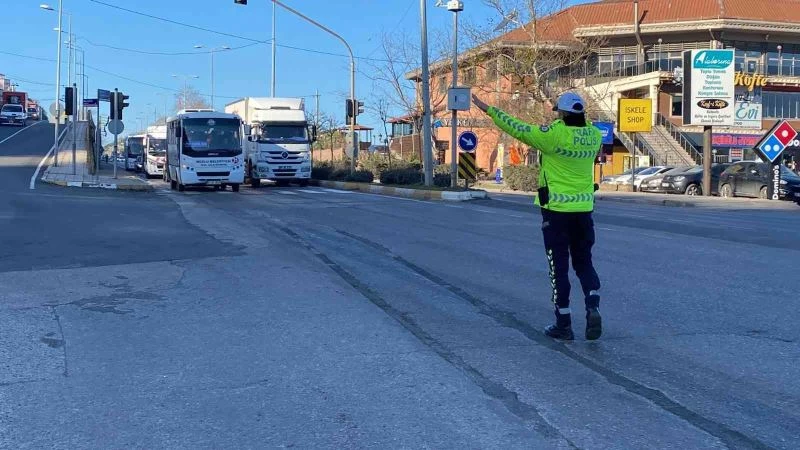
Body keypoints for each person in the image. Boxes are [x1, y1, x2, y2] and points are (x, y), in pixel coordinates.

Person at [472, 92, 603, 341]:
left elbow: (519, 128)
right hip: (584, 212)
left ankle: (563, 323)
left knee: (559, 268)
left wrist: (490, 110)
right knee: (584, 263)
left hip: (555, 212)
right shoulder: (595, 136)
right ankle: (592, 304)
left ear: (563, 113)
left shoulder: (554, 134)